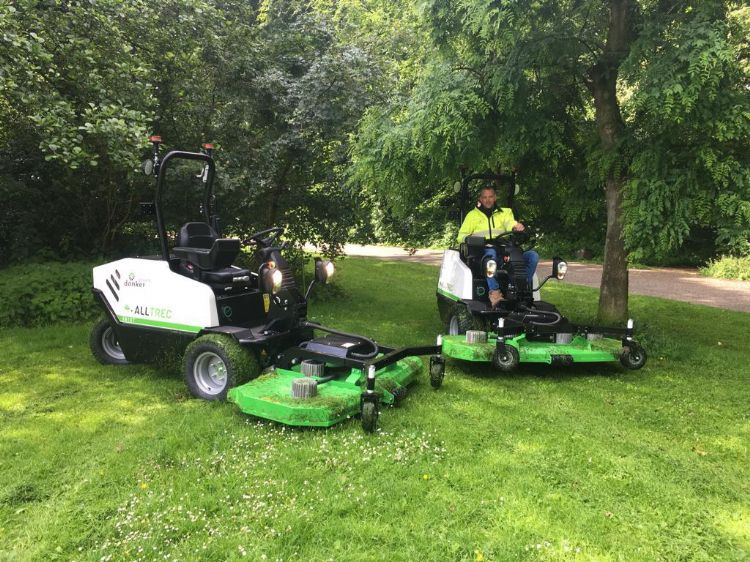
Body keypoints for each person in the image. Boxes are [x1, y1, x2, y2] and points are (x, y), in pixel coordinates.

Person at [456, 184, 539, 306]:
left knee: (532, 256)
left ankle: (522, 288)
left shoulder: (504, 213)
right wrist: (470, 238)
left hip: (504, 250)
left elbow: (509, 222)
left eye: (490, 197)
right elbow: (460, 236)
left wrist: (515, 226)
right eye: (485, 197)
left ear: (495, 198)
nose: (488, 200)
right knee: (491, 254)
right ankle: (494, 292)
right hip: (483, 251)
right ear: (480, 199)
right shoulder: (472, 216)